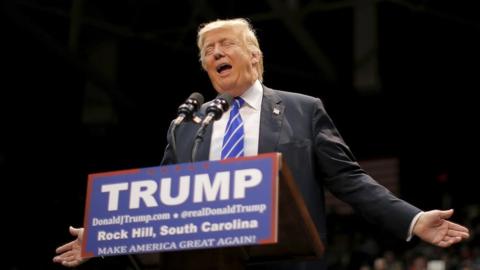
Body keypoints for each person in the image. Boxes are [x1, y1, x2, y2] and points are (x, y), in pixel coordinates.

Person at [53, 18, 469, 269]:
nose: (215, 52)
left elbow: (351, 181)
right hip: (204, 262)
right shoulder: (187, 124)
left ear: (253, 56)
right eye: (207, 50)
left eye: (226, 44)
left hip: (288, 260)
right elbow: (161, 200)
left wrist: (413, 219)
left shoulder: (302, 110)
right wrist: (105, 234)